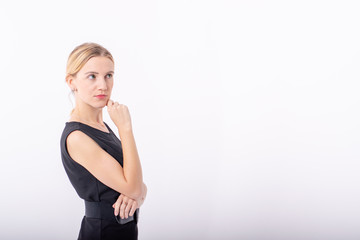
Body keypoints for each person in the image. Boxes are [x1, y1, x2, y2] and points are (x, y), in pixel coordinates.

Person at [60, 42, 147, 240]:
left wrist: (138, 195)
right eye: (92, 76)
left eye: (109, 75)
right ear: (71, 82)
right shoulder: (77, 137)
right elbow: (134, 187)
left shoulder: (102, 127)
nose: (103, 85)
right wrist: (125, 128)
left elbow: (137, 185)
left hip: (124, 231)